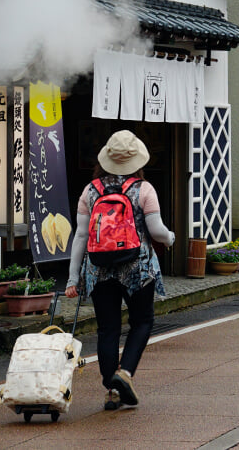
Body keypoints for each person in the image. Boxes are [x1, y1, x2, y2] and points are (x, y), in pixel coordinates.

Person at [65, 130, 174, 410]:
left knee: (107, 329)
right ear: (137, 160)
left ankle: (111, 391)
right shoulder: (144, 189)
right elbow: (156, 231)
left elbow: (80, 236)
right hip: (137, 268)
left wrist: (72, 278)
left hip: (99, 269)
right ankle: (123, 374)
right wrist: (170, 237)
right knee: (142, 322)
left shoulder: (90, 191)